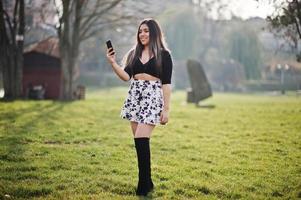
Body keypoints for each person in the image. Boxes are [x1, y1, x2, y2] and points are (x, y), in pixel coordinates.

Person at [106, 18, 173, 196]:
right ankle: (147, 181)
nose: (142, 34)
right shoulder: (134, 52)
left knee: (142, 138)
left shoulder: (164, 55)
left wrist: (166, 109)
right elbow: (126, 76)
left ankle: (143, 185)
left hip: (152, 98)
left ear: (154, 33)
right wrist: (113, 63)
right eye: (140, 31)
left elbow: (166, 84)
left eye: (146, 31)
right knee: (139, 142)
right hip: (135, 97)